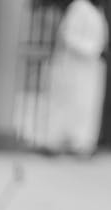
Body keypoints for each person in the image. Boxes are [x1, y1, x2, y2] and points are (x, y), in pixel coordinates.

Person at [45, 0, 109, 155]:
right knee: (70, 104)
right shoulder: (80, 7)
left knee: (87, 105)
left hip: (92, 69)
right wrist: (94, 51)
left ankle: (83, 144)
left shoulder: (97, 11)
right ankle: (60, 143)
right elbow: (69, 36)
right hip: (75, 68)